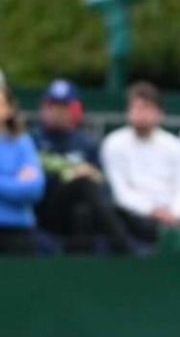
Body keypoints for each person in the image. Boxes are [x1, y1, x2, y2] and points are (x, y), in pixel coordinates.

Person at [33, 79, 135, 253]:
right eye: (53, 106)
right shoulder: (32, 140)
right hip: (45, 209)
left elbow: (102, 186)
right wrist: (70, 174)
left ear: (73, 110)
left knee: (83, 211)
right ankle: (123, 246)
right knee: (83, 183)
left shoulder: (85, 142)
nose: (58, 112)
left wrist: (90, 174)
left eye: (63, 107)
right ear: (44, 108)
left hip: (77, 214)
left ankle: (82, 270)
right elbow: (33, 183)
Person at [101, 82, 180, 243]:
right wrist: (152, 211)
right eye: (135, 107)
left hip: (174, 219)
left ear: (159, 113)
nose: (140, 113)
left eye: (146, 108)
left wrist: (176, 213)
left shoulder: (175, 146)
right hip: (132, 218)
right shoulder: (113, 143)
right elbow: (121, 192)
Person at [0, 86, 45, 254]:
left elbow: (34, 189)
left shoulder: (22, 142)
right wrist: (13, 179)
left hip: (19, 230)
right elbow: (22, 186)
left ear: (9, 110)